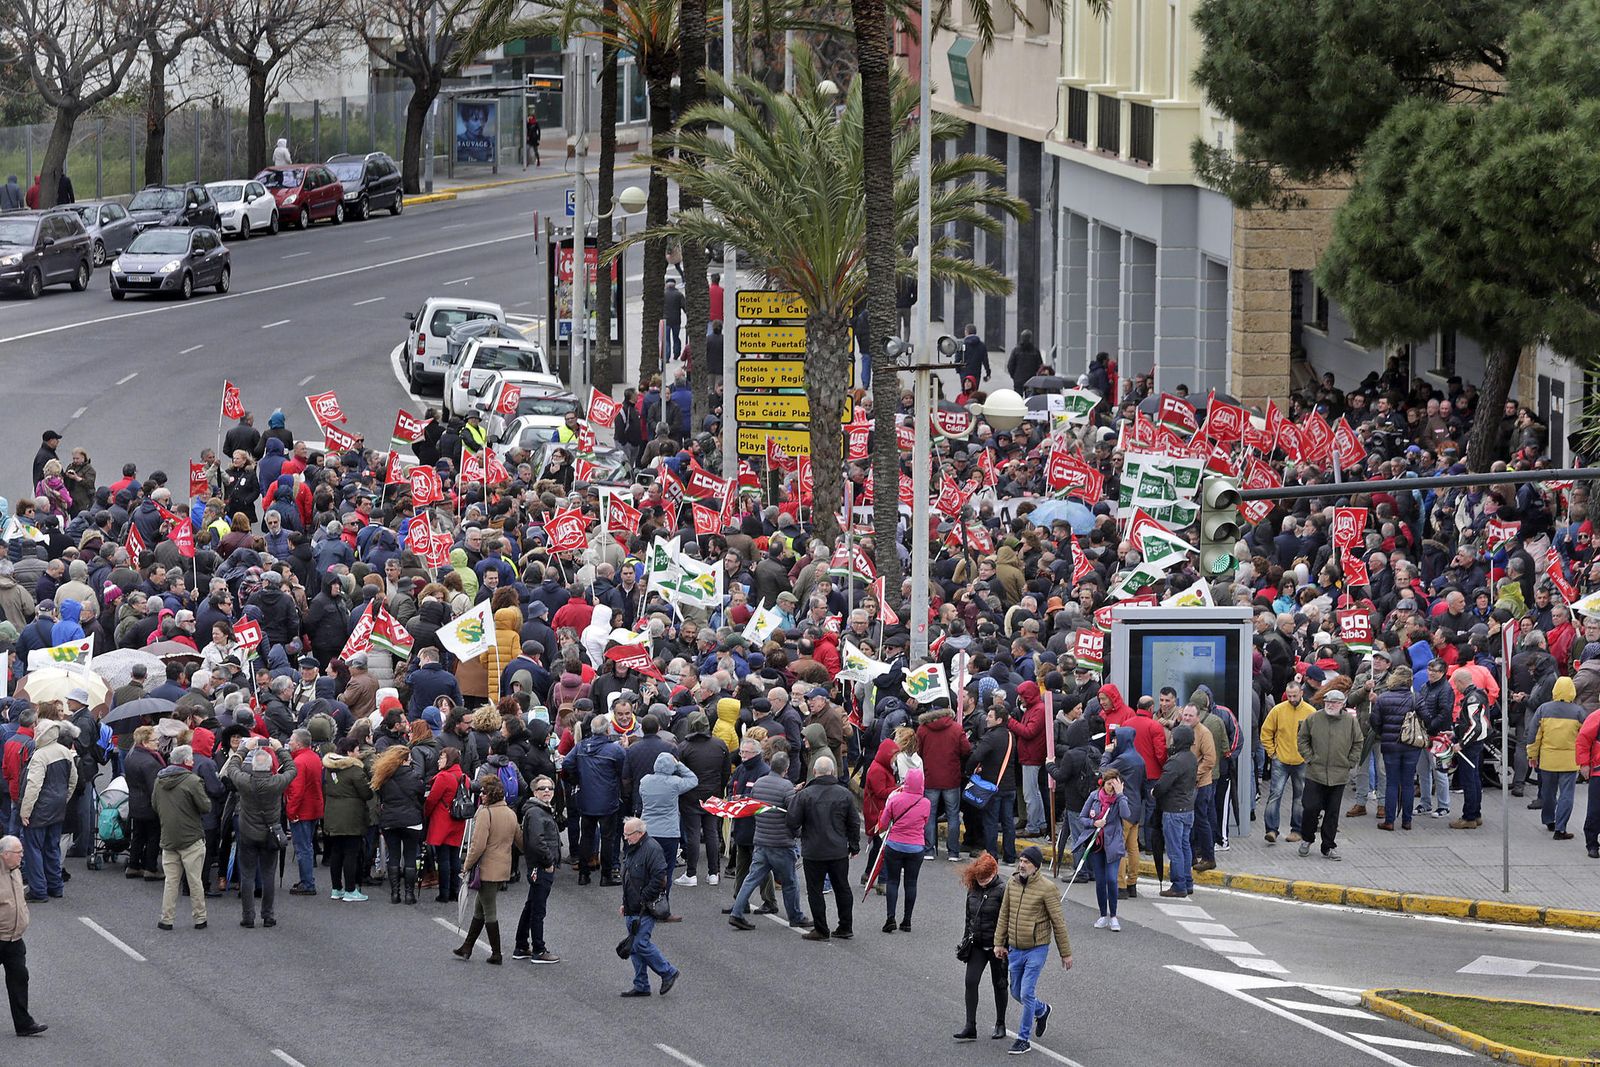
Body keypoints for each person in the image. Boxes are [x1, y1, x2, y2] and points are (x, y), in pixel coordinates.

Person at [994, 845, 1071, 1056]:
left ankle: (1023, 1039)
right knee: (1016, 992)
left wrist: (1065, 953)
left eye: (1026, 862)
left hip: (1037, 948)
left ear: (1036, 867)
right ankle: (1042, 1010)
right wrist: (999, 943)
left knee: (1027, 992)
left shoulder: (1047, 888)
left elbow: (1059, 922)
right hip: (1015, 948)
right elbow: (1004, 914)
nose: (1021, 865)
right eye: (1021, 860)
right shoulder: (1012, 882)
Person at [727, 750, 808, 930]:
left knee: (751, 879)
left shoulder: (759, 784)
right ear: (786, 769)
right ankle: (795, 916)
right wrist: (799, 832)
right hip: (781, 842)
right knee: (790, 882)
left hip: (761, 840)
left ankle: (737, 913)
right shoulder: (786, 787)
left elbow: (758, 803)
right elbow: (793, 814)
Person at [221, 737, 297, 928]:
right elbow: (292, 769)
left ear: (253, 767)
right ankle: (268, 915)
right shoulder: (276, 782)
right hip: (270, 833)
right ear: (271, 766)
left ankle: (248, 916)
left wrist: (244, 748)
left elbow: (232, 768)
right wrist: (280, 749)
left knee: (247, 875)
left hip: (248, 832)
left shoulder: (245, 781)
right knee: (268, 874)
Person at [786, 755, 860, 941]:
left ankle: (821, 928)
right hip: (838, 850)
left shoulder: (804, 795)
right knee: (842, 888)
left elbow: (792, 821)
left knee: (815, 890)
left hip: (814, 850)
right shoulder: (844, 794)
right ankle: (845, 926)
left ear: (815, 772)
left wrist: (802, 831)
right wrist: (854, 844)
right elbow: (853, 822)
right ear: (833, 772)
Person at [453, 776, 519, 965]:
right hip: (502, 867)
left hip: (487, 868)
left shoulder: (485, 813)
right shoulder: (510, 813)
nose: (480, 795)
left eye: (482, 792)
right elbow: (519, 839)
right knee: (479, 908)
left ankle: (496, 953)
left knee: (489, 910)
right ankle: (467, 947)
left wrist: (466, 866)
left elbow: (477, 845)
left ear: (490, 794)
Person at [1295, 690, 1363, 860]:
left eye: (1335, 702)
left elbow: (1358, 742)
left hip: (1339, 774)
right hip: (1315, 773)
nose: (1331, 705)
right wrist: (1309, 758)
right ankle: (1307, 838)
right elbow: (1302, 739)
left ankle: (1328, 846)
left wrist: (1350, 762)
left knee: (1332, 813)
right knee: (1310, 808)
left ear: (1342, 704)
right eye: (1328, 702)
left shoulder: (1350, 721)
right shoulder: (1314, 718)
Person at [152, 744, 211, 931]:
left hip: (168, 836)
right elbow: (205, 807)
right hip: (191, 836)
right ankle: (200, 917)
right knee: (194, 880)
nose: (193, 761)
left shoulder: (159, 780)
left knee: (171, 881)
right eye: (191, 758)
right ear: (186, 761)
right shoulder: (193, 781)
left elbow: (154, 804)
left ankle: (166, 919)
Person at [618, 815, 679, 997]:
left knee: (639, 944)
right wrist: (625, 903)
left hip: (644, 908)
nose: (626, 838)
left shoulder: (652, 849)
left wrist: (643, 899)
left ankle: (668, 971)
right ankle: (641, 985)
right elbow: (628, 878)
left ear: (640, 832)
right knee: (634, 947)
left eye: (628, 835)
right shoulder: (633, 848)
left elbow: (660, 877)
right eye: (624, 835)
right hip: (632, 907)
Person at [19, 719, 77, 902]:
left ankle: (38, 890)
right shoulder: (65, 752)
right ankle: (55, 886)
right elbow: (73, 780)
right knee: (52, 847)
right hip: (58, 807)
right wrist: (63, 799)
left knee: (33, 849)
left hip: (39, 809)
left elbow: (33, 786)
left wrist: (25, 811)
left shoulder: (40, 755)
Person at [954, 852, 1007, 1042]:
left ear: (995, 872)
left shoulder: (1003, 890)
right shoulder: (973, 888)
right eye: (979, 878)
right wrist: (966, 939)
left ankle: (1000, 1023)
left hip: (997, 945)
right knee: (970, 981)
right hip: (977, 943)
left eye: (986, 878)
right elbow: (968, 917)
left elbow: (1007, 919)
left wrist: (1004, 945)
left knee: (999, 984)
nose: (982, 881)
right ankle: (970, 1026)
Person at [1072, 767, 1131, 931]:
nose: (1110, 788)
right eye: (1108, 784)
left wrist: (1120, 795)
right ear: (1102, 783)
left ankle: (1113, 916)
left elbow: (1126, 814)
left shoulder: (1120, 800)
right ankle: (1102, 914)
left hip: (1113, 845)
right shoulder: (1094, 797)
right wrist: (1094, 823)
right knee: (1100, 881)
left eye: (1114, 784)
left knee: (1112, 879)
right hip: (1097, 845)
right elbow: (1082, 817)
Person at [512, 774, 562, 963]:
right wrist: (549, 863)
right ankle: (539, 950)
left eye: (550, 788)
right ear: (535, 792)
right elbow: (536, 842)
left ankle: (521, 945)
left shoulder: (541, 810)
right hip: (540, 867)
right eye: (542, 788)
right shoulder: (535, 813)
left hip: (540, 866)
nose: (547, 791)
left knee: (531, 905)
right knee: (538, 909)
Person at [0, 836, 46, 1037]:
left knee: (20, 978)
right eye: (18, 853)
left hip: (15, 939)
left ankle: (24, 1024)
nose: (22, 856)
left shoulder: (16, 871)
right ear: (5, 855)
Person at [1260, 680, 1315, 843]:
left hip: (1301, 761)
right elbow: (1266, 732)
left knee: (1300, 797)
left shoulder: (1310, 712)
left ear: (1301, 694)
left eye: (1294, 696)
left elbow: (1316, 737)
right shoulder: (1278, 710)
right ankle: (1271, 829)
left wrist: (1309, 756)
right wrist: (1272, 753)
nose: (1291, 699)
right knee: (1275, 794)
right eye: (1289, 696)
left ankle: (1296, 830)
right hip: (1281, 760)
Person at [877, 766, 930, 933]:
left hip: (894, 845)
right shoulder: (926, 803)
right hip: (915, 847)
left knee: (893, 881)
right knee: (911, 883)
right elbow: (925, 822)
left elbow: (884, 823)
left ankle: (890, 917)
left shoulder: (895, 800)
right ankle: (907, 920)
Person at [372, 745, 425, 905]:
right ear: (404, 760)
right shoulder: (415, 777)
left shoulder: (383, 777)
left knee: (393, 856)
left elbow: (380, 796)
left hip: (390, 819)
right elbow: (420, 796)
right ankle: (409, 894)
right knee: (409, 856)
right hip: (411, 820)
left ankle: (395, 893)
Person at [321, 737, 372, 902]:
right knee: (351, 853)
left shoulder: (329, 768)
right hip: (352, 816)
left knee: (336, 852)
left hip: (333, 814)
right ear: (349, 752)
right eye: (357, 750)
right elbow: (366, 793)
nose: (359, 754)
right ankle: (351, 889)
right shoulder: (354, 770)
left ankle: (337, 888)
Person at [1155, 724, 1198, 898]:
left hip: (1174, 810)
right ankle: (1187, 882)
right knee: (1185, 846)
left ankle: (1178, 884)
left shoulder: (1175, 761)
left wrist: (1154, 792)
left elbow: (1162, 785)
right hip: (1188, 808)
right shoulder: (1191, 758)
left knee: (1175, 849)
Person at [423, 747, 467, 903]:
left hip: (442, 820)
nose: (438, 761)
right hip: (458, 820)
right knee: (455, 857)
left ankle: (444, 893)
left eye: (441, 758)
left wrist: (426, 814)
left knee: (443, 858)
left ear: (448, 760)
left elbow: (431, 800)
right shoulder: (463, 777)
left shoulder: (443, 777)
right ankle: (455, 891)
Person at [284, 729, 325, 895]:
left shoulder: (299, 762)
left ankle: (307, 883)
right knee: (306, 846)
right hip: (313, 807)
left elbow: (296, 790)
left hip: (302, 810)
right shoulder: (314, 757)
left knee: (303, 848)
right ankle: (307, 881)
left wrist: (291, 812)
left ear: (299, 743)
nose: (290, 743)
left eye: (292, 740)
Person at [663, 278, 684, 360]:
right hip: (676, 320)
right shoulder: (679, 294)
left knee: (666, 340)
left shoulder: (663, 294)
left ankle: (666, 357)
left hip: (666, 320)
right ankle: (676, 354)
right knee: (676, 337)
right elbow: (684, 306)